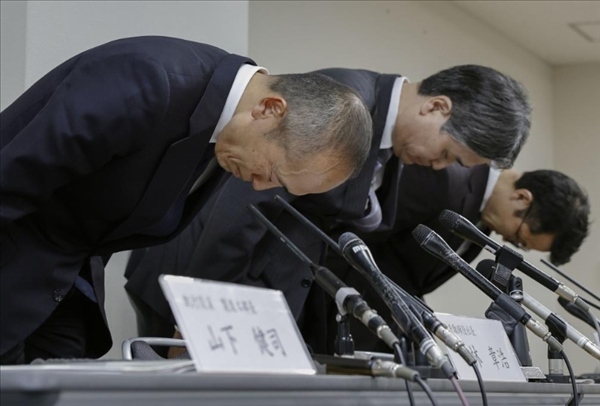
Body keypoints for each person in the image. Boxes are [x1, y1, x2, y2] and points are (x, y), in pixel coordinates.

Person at [0, 36, 374, 364]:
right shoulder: (150, 79)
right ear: (269, 110)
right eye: (274, 173)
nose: (261, 187)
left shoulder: (225, 133)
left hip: (58, 293)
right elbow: (12, 180)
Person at [124, 65, 533, 351]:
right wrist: (199, 317)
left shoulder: (391, 145)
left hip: (253, 296)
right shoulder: (343, 102)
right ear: (436, 107)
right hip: (197, 279)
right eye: (447, 154)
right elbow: (240, 207)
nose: (440, 167)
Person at [321, 164, 591, 353]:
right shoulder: (445, 179)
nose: (511, 242)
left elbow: (409, 280)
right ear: (521, 197)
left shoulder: (483, 226)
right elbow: (355, 237)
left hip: (384, 332)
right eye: (519, 237)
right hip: (333, 311)